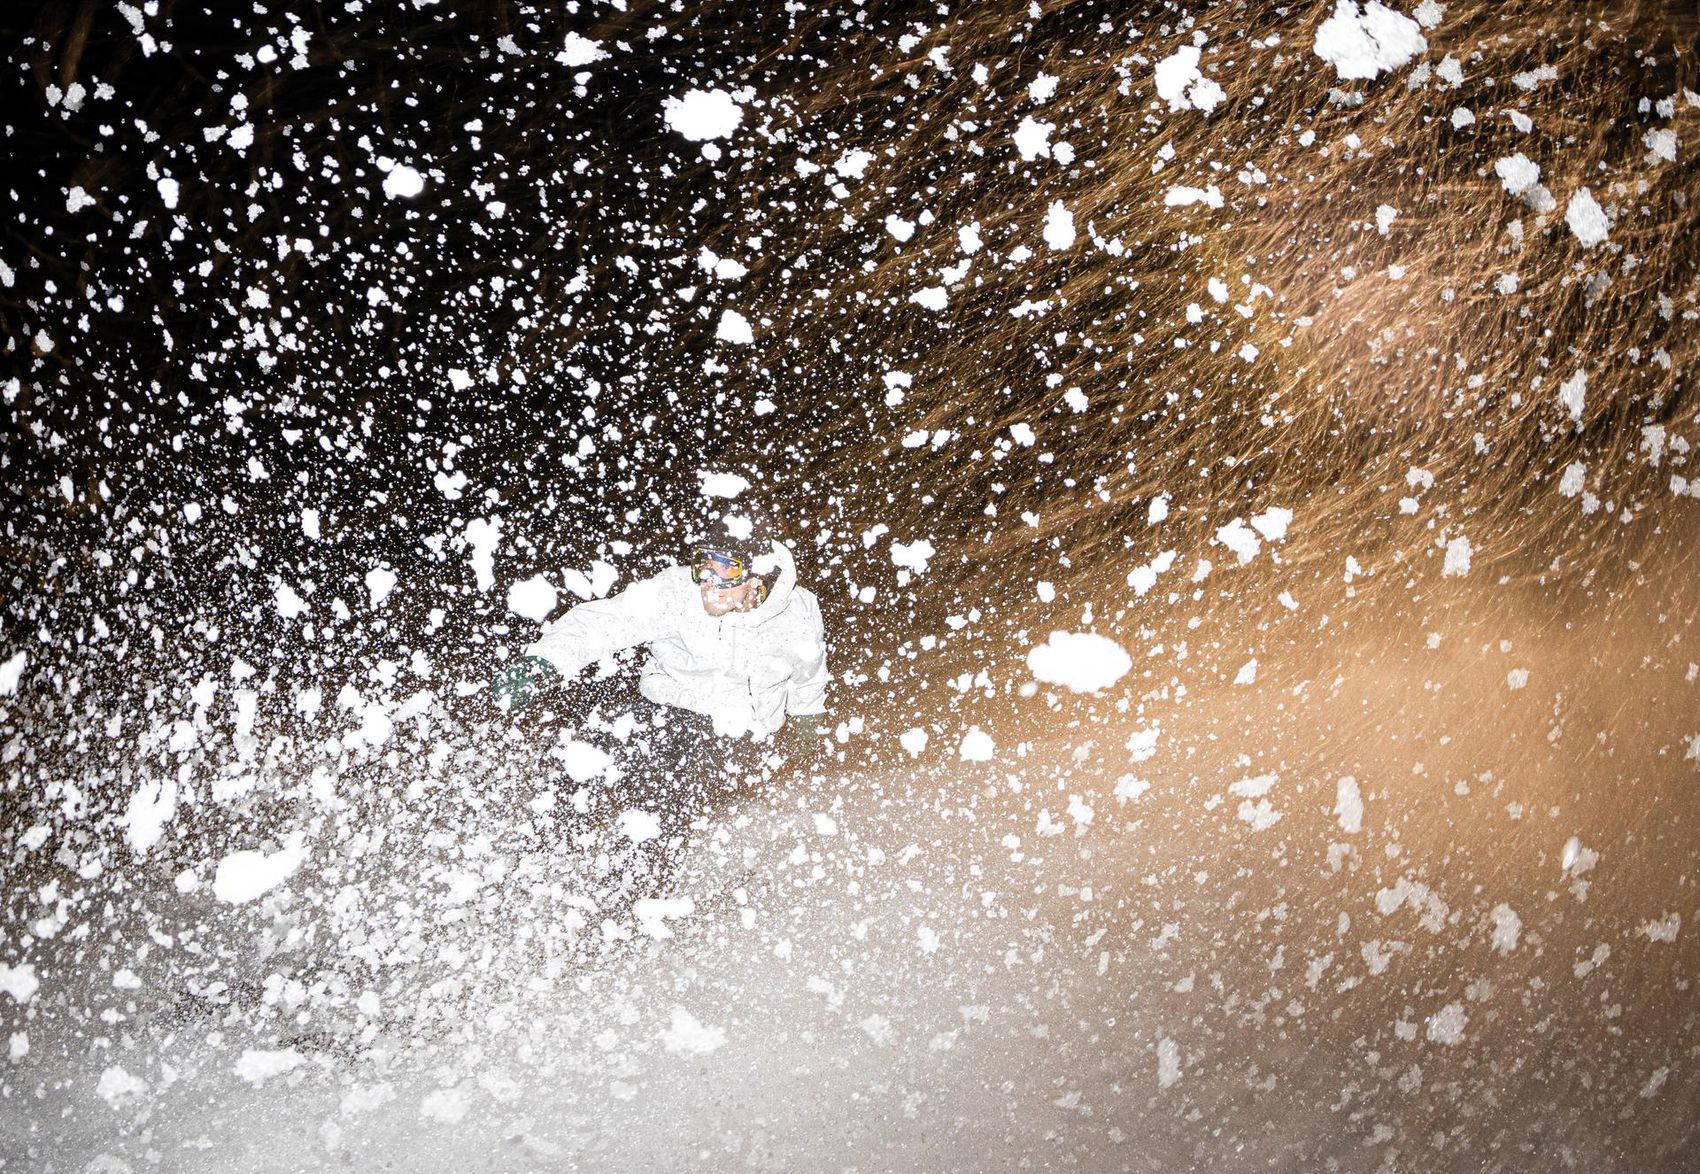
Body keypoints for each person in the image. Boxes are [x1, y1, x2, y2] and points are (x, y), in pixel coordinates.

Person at [490, 519, 830, 822]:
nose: (708, 582)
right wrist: (544, 662)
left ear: (757, 577)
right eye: (704, 566)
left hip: (740, 730)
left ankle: (648, 867)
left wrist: (807, 725)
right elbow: (605, 623)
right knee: (591, 749)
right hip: (667, 705)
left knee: (665, 793)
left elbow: (809, 674)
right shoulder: (676, 593)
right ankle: (555, 827)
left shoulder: (798, 613)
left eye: (725, 569)